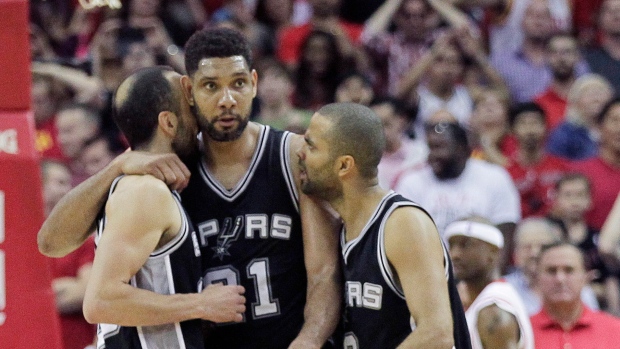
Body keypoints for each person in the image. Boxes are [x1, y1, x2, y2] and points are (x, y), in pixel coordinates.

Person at [38, 28, 342, 349]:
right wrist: (114, 167)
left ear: (254, 83)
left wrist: (310, 340)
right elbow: (51, 242)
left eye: (238, 83)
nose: (227, 100)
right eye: (211, 86)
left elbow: (325, 270)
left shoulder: (292, 156)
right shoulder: (163, 162)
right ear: (190, 90)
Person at [81, 66, 246, 348]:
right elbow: (101, 301)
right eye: (191, 110)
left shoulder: (151, 186)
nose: (200, 120)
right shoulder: (144, 191)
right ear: (169, 123)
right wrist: (200, 304)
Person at [297, 102, 472, 348]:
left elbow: (437, 334)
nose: (299, 153)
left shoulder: (402, 223)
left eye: (311, 146)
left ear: (344, 165)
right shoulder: (340, 229)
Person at [394, 121, 521, 269]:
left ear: (462, 149)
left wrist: (492, 279)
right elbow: (404, 237)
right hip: (429, 271)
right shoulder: (411, 182)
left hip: (480, 271)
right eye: (431, 148)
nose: (432, 155)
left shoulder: (494, 177)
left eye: (440, 147)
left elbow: (504, 232)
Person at [445, 217, 534, 349]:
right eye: (452, 246)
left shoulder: (493, 310)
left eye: (465, 245)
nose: (455, 254)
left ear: (493, 252)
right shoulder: (479, 302)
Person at [530, 242, 620, 348]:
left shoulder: (615, 330)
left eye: (569, 270)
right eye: (551, 271)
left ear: (586, 276)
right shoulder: (523, 331)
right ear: (537, 278)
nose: (560, 279)